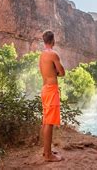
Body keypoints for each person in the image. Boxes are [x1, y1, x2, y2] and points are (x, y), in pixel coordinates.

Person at [39, 30, 65, 162]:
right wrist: (56, 72)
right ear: (53, 40)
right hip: (51, 90)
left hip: (44, 89)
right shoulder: (54, 54)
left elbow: (44, 72)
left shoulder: (42, 55)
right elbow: (62, 72)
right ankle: (48, 155)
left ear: (44, 41)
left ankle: (46, 151)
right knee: (49, 123)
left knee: (46, 121)